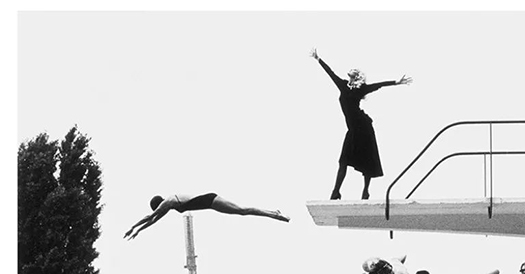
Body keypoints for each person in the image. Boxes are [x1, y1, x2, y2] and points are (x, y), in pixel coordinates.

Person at [310, 48, 412, 200]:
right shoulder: (343, 85)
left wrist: (396, 82)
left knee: (367, 159)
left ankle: (365, 191)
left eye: (352, 76)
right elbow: (330, 73)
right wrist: (318, 59)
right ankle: (336, 192)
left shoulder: (361, 89)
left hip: (363, 127)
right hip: (352, 130)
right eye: (349, 76)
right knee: (343, 161)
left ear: (357, 78)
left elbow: (378, 85)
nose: (349, 78)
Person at [124, 193, 289, 240]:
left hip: (210, 200)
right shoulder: (169, 206)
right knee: (242, 211)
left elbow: (150, 217)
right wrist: (139, 231)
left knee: (242, 210)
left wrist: (133, 227)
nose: (160, 212)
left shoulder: (168, 202)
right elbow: (153, 220)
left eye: (158, 209)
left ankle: (273, 214)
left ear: (159, 204)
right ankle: (273, 213)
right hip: (211, 204)